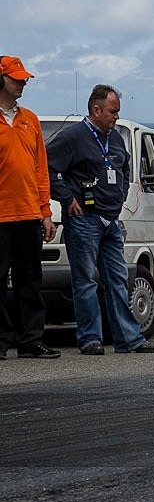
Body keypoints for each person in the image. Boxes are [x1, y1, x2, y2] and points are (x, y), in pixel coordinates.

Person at [47, 84, 154, 355]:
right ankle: (90, 339)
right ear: (96, 110)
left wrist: (120, 196)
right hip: (84, 220)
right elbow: (48, 167)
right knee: (86, 280)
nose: (116, 117)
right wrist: (66, 198)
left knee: (118, 279)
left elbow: (123, 166)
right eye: (112, 111)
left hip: (110, 220)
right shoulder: (72, 137)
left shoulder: (116, 138)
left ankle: (128, 339)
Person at [0, 55, 60, 360]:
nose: (22, 83)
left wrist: (45, 213)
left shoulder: (30, 119)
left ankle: (31, 341)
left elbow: (41, 171)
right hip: (0, 216)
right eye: (16, 78)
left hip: (28, 214)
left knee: (30, 281)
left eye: (24, 78)